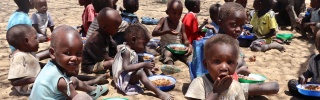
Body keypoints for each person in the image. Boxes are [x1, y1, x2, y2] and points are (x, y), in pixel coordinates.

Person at [29, 25, 108, 100]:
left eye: (78, 54)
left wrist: (72, 71)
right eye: (67, 53)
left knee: (74, 80)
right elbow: (76, 97)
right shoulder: (61, 81)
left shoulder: (51, 66)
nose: (74, 58)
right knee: (83, 98)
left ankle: (93, 90)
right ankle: (92, 91)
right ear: (53, 53)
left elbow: (72, 78)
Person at [112, 23, 173, 100]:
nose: (144, 48)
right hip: (122, 81)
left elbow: (136, 61)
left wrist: (146, 65)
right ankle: (158, 92)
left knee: (141, 60)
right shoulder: (126, 51)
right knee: (140, 71)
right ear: (133, 40)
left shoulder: (131, 49)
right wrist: (144, 64)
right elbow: (126, 67)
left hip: (126, 76)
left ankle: (150, 78)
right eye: (144, 44)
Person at [185, 34, 246, 100]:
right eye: (217, 62)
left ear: (236, 66)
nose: (224, 67)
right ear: (206, 65)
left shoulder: (236, 86)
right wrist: (216, 92)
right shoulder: (199, 83)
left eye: (230, 62)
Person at [82, 8, 122, 74]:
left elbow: (113, 46)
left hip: (99, 60)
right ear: (104, 27)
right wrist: (120, 62)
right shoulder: (96, 39)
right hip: (91, 66)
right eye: (116, 28)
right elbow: (104, 58)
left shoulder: (106, 34)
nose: (118, 30)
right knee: (113, 62)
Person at [152, 0, 192, 65]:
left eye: (179, 14)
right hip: (166, 46)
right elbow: (154, 33)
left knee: (189, 56)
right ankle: (170, 64)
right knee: (167, 54)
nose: (176, 16)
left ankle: (191, 65)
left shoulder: (181, 24)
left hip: (179, 48)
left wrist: (189, 46)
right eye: (174, 13)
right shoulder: (163, 20)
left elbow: (185, 40)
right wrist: (167, 31)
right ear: (167, 12)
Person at [287, 23, 320, 99]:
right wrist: (305, 75)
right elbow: (310, 72)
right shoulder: (314, 59)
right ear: (317, 46)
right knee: (292, 83)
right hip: (313, 89)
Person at [6, 24, 40, 95]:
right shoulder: (18, 57)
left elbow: (36, 62)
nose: (38, 41)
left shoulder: (28, 52)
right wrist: (36, 79)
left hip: (35, 82)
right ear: (26, 41)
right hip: (28, 88)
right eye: (35, 38)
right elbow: (14, 81)